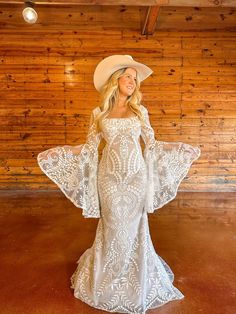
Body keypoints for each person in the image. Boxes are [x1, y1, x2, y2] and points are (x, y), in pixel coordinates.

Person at [37, 55, 201, 313]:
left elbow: (153, 144)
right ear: (116, 80)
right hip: (109, 178)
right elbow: (90, 149)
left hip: (136, 177)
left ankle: (135, 276)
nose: (132, 82)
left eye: (135, 80)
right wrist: (62, 152)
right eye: (128, 77)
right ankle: (110, 276)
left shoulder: (140, 111)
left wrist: (179, 148)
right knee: (113, 225)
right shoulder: (99, 113)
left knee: (134, 226)